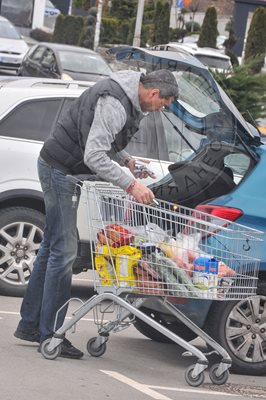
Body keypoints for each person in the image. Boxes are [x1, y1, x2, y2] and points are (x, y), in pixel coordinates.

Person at [14, 68, 179, 359]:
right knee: (64, 252)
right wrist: (132, 185)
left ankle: (30, 325)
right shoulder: (115, 101)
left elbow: (97, 137)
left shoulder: (124, 96)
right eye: (162, 105)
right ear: (153, 93)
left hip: (64, 168)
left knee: (52, 246)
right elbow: (93, 155)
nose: (159, 110)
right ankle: (51, 333)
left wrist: (126, 160)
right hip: (60, 170)